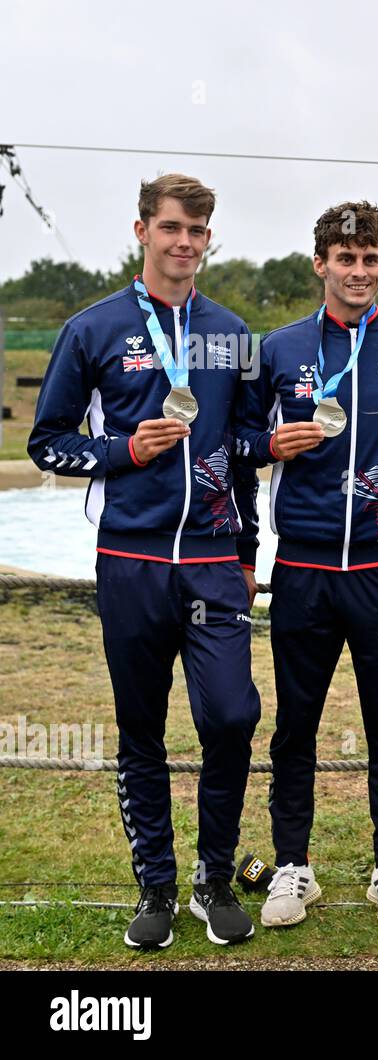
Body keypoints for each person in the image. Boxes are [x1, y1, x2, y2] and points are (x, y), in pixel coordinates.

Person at [28, 174, 262, 948]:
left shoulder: (232, 332)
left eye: (198, 232)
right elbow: (49, 443)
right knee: (142, 733)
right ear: (142, 232)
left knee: (233, 715)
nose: (184, 243)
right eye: (171, 229)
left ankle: (214, 878)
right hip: (129, 559)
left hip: (212, 560)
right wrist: (122, 452)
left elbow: (242, 450)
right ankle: (156, 888)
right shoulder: (92, 328)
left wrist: (248, 550)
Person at [236, 202, 378, 930]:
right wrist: (268, 447)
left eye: (369, 258)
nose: (357, 271)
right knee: (296, 726)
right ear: (320, 263)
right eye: (344, 258)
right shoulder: (277, 348)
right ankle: (292, 867)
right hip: (305, 570)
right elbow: (237, 444)